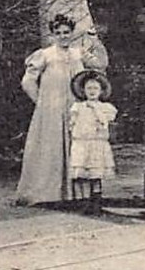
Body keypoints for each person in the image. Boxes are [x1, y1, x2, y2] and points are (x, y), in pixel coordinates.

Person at [17, 14, 108, 207]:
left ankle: (74, 195)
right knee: (51, 148)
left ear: (71, 33)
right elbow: (27, 81)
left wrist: (94, 40)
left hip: (75, 108)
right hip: (51, 110)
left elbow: (101, 65)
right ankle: (47, 193)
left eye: (66, 33)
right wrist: (41, 102)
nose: (63, 36)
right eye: (58, 33)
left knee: (77, 148)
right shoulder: (46, 54)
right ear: (53, 35)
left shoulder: (78, 53)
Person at [66, 70, 117, 212]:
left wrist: (96, 109)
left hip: (97, 144)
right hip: (82, 143)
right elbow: (72, 125)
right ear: (83, 90)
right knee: (80, 173)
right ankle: (82, 201)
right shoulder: (77, 107)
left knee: (96, 174)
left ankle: (96, 202)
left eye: (95, 88)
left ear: (101, 91)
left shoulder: (105, 108)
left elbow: (104, 122)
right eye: (89, 88)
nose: (92, 91)